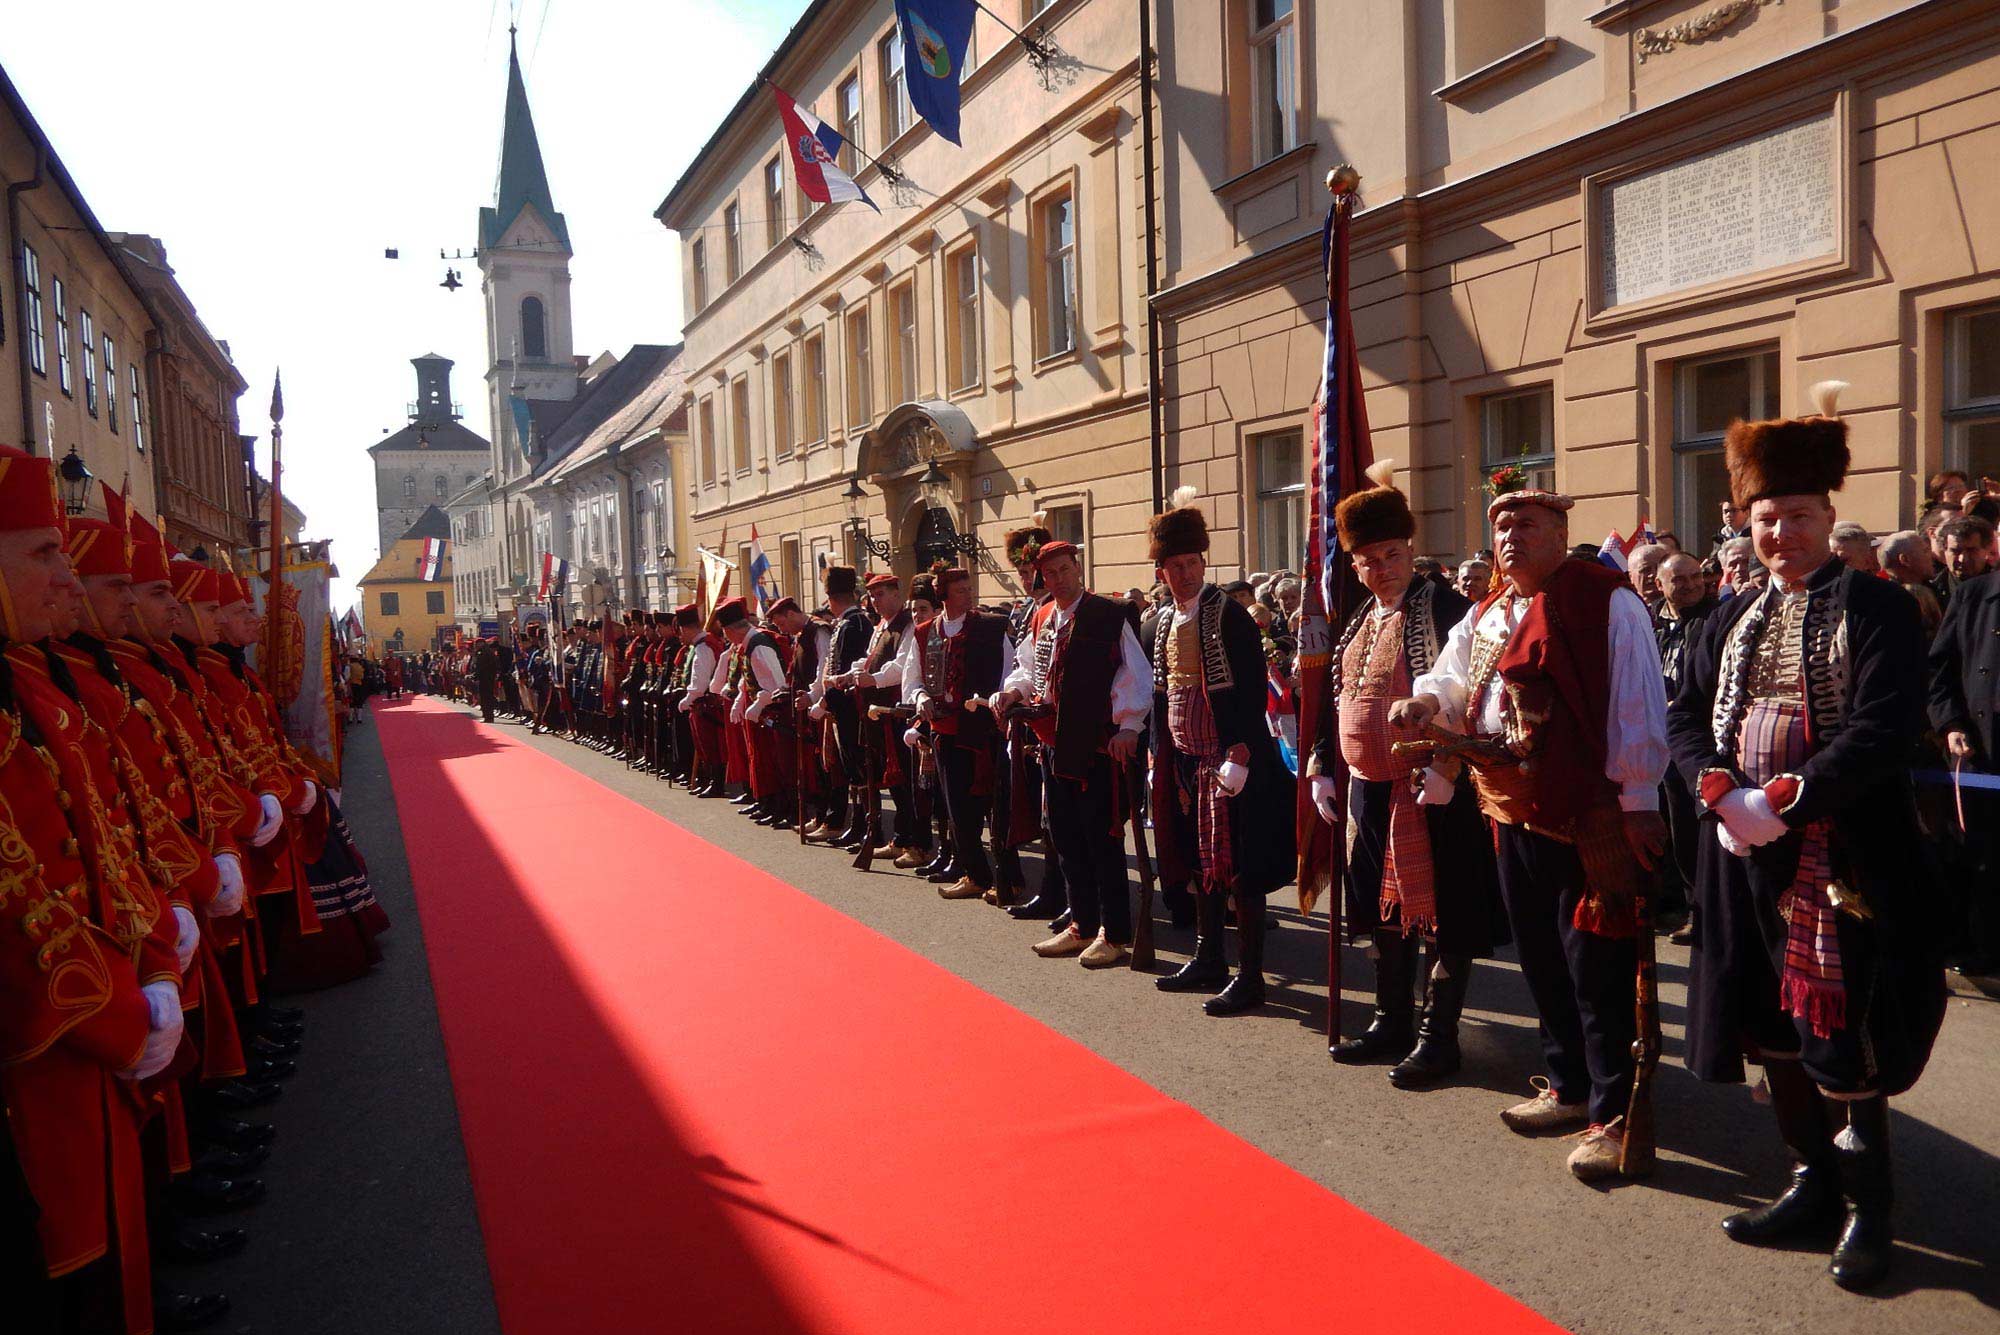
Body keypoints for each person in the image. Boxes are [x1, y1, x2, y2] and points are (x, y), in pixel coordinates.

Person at [1666, 381, 1947, 1291]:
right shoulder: (1728, 613)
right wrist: (1717, 791)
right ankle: (1809, 1182)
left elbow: (1882, 724)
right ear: (1743, 526)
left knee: (1842, 1033)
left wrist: (1784, 796)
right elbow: (1683, 715)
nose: (1778, 534)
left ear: (1828, 516)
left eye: (1794, 515)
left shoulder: (1878, 608)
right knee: (1769, 1027)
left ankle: (1872, 1208)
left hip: (1842, 858)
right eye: (1762, 519)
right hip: (1741, 854)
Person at [1397, 475, 1668, 1182]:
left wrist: (1638, 795)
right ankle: (1568, 1084)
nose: (1510, 537)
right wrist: (1424, 704)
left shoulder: (1605, 599)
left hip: (1589, 815)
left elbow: (1638, 701)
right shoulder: (1490, 608)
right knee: (1541, 960)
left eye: (1526, 525)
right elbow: (1454, 676)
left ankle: (1613, 1113)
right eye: (1502, 526)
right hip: (1511, 807)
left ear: (1558, 532)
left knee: (1598, 966)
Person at [1304, 464, 1505, 1078]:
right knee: (1379, 911)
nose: (1380, 566)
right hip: (1367, 790)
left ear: (1411, 550)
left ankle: (1437, 1036)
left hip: (1431, 787)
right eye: (1367, 558)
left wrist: (1447, 766)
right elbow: (1333, 698)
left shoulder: (1445, 606)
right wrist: (1322, 765)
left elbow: (1469, 694)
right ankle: (1390, 1020)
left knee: (1441, 913)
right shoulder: (1360, 618)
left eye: (1390, 553)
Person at [1138, 491, 1300, 1012]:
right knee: (1199, 861)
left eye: (1192, 563)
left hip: (1232, 763)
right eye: (1175, 565)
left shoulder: (1228, 615)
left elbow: (1251, 691)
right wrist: (1158, 756)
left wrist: (1240, 754)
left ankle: (1250, 974)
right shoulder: (1158, 622)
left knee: (1240, 870)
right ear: (1161, 570)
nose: (1185, 573)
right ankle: (1209, 957)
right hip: (1185, 761)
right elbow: (1161, 695)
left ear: (1203, 563)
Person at [994, 539, 1151, 966]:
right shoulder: (1042, 616)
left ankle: (1114, 932)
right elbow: (1031, 668)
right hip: (1051, 744)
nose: (1058, 579)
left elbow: (1134, 673)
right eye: (1050, 574)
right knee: (1065, 839)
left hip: (1096, 747)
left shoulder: (1107, 614)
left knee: (1103, 841)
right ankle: (1082, 923)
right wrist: (1011, 691)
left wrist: (1130, 725)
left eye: (1064, 570)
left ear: (1077, 568)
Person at [899, 566, 1014, 901]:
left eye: (969, 588)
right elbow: (913, 678)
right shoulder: (924, 632)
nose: (969, 594)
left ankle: (1010, 878)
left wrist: (1000, 705)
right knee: (958, 810)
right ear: (944, 595)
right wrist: (920, 698)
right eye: (961, 590)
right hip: (945, 733)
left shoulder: (991, 628)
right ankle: (975, 874)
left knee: (996, 810)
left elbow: (1009, 674)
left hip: (984, 732)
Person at [1928, 563, 2000, 977]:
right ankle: (1978, 945)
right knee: (1978, 855)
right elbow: (1939, 670)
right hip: (1980, 747)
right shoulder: (1973, 595)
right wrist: (1950, 722)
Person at [1654, 553, 1718, 937]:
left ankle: (1704, 910)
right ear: (1660, 585)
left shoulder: (1716, 618)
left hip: (1696, 738)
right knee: (1669, 824)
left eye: (1696, 576)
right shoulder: (1650, 620)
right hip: (1655, 737)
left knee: (1698, 827)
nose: (1692, 585)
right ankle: (1671, 902)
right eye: (1679, 580)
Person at [1878, 530, 1944, 638]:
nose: (1931, 555)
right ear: (1905, 560)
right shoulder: (1890, 603)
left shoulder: (1939, 589)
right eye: (1925, 551)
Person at [1627, 542, 1670, 607]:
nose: (1653, 574)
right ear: (1631, 577)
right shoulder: (1624, 609)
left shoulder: (1683, 608)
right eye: (1645, 570)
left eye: (1658, 568)